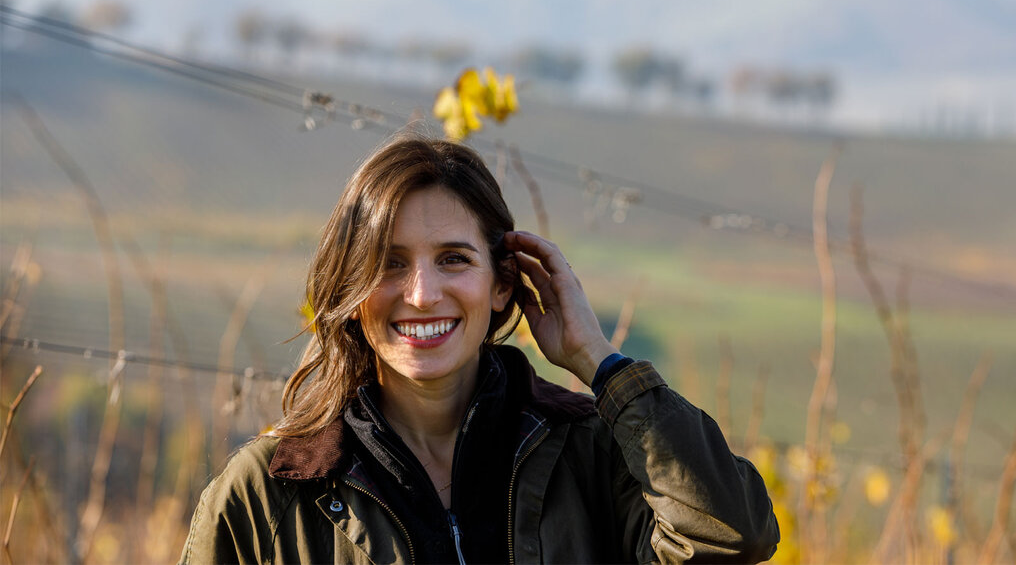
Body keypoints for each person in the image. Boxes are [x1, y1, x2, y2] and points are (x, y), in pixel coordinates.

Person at [179, 134, 779, 564]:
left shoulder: (594, 457)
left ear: (500, 284)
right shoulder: (268, 493)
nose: (421, 294)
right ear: (352, 293)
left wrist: (600, 362)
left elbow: (731, 535)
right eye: (388, 264)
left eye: (453, 259)